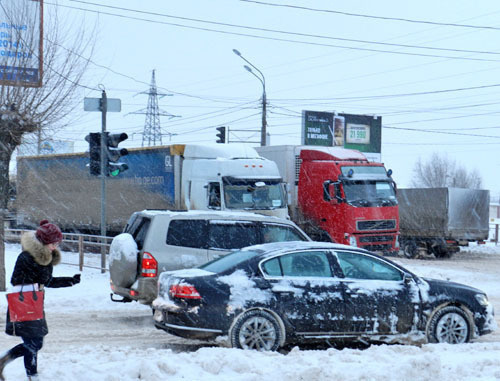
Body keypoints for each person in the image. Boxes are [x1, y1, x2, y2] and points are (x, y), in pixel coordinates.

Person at [0, 220, 81, 381]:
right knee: (34, 343)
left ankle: (15, 366)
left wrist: (69, 281)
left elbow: (47, 281)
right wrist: (42, 267)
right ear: (45, 241)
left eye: (58, 242)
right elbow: (18, 280)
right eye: (54, 242)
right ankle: (29, 374)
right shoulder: (28, 257)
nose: (56, 246)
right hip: (23, 304)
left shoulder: (44, 257)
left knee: (34, 343)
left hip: (33, 305)